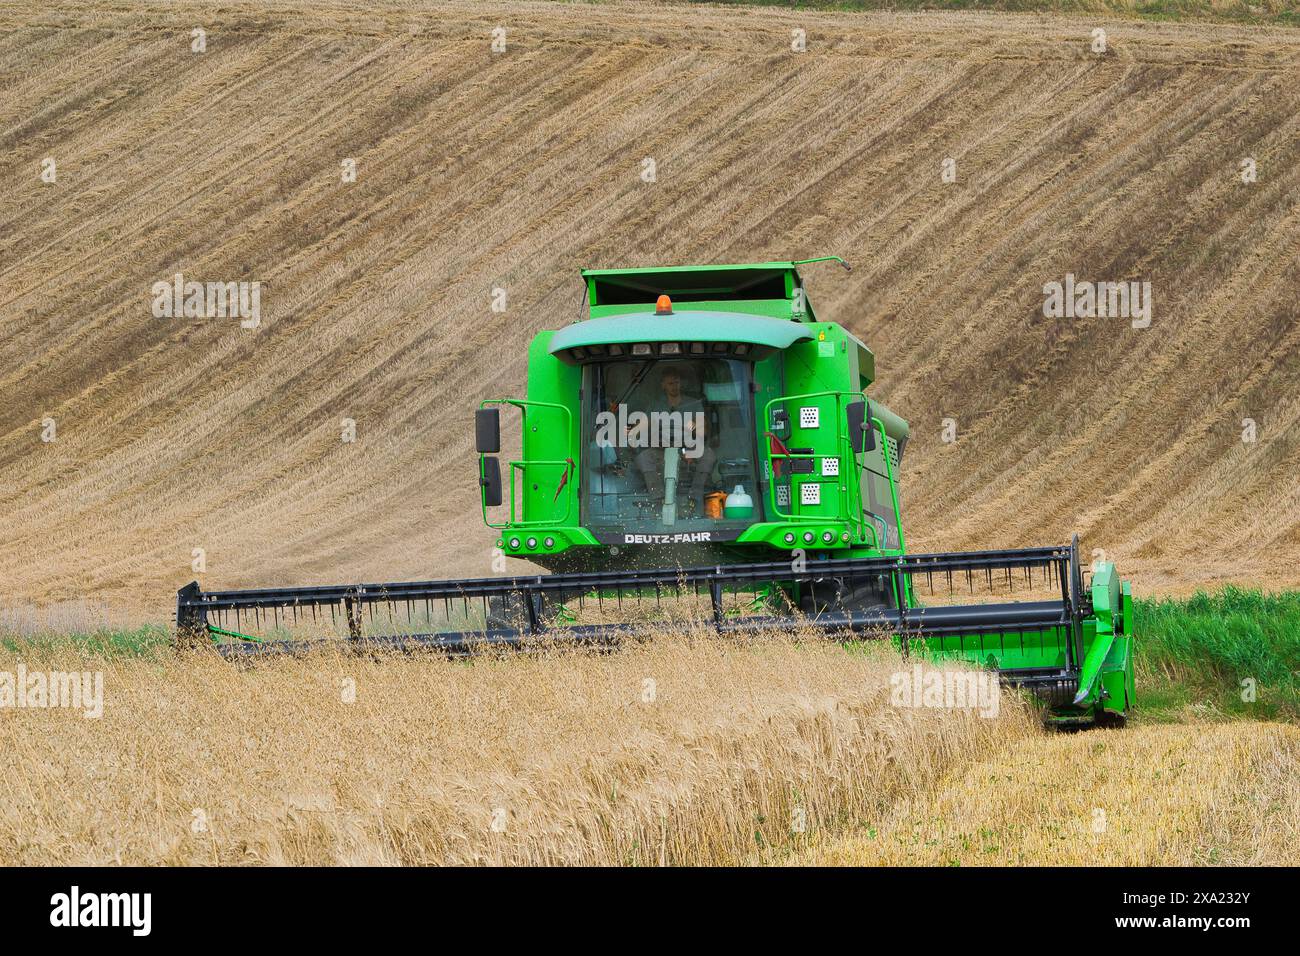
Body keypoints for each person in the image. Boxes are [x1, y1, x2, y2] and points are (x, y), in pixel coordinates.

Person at [631, 366, 717, 508]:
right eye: (670, 383)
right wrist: (632, 433)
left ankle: (694, 498)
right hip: (661, 450)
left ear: (681, 383)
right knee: (643, 457)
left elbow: (703, 431)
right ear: (663, 385)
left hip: (688, 449)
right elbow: (641, 426)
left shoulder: (693, 403)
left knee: (708, 455)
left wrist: (692, 426)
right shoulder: (656, 404)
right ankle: (658, 500)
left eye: (677, 382)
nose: (674, 386)